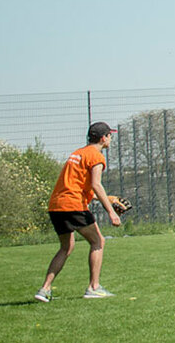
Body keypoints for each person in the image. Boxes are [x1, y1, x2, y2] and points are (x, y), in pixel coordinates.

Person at [34, 122, 125, 302]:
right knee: (98, 241)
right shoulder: (96, 156)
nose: (111, 139)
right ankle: (94, 287)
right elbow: (96, 184)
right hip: (73, 205)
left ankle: (44, 289)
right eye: (110, 135)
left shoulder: (77, 153)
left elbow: (78, 186)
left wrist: (110, 199)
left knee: (66, 247)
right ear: (103, 138)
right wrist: (111, 212)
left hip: (56, 205)